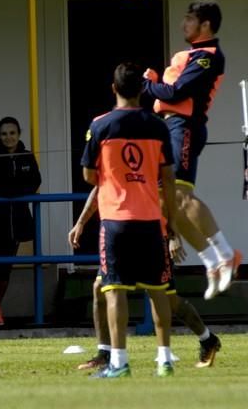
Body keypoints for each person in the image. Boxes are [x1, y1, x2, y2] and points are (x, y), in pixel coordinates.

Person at [80, 62, 180, 378]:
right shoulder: (158, 126)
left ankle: (119, 362)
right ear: (141, 90)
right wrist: (172, 224)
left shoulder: (99, 126)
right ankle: (164, 360)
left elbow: (89, 176)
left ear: (114, 89)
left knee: (115, 290)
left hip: (115, 221)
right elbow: (168, 177)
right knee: (158, 290)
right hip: (151, 219)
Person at [143, 0, 241, 300]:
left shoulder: (208, 57)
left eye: (189, 19)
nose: (183, 25)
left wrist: (147, 85)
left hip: (184, 127)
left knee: (181, 196)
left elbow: (175, 93)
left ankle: (226, 254)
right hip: (170, 127)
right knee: (163, 200)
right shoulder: (191, 55)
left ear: (205, 25)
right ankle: (211, 262)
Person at [68, 187, 222, 370]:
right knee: (100, 288)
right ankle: (104, 353)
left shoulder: (152, 161)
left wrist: (173, 235)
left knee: (166, 298)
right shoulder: (108, 161)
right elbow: (99, 187)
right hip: (119, 232)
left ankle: (206, 339)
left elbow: (170, 194)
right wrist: (81, 222)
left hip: (152, 234)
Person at [0, 117, 41, 326]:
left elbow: (34, 182)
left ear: (19, 134)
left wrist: (14, 190)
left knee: (5, 268)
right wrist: (11, 190)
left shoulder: (27, 156)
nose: (8, 137)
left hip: (16, 222)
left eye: (12, 133)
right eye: (4, 134)